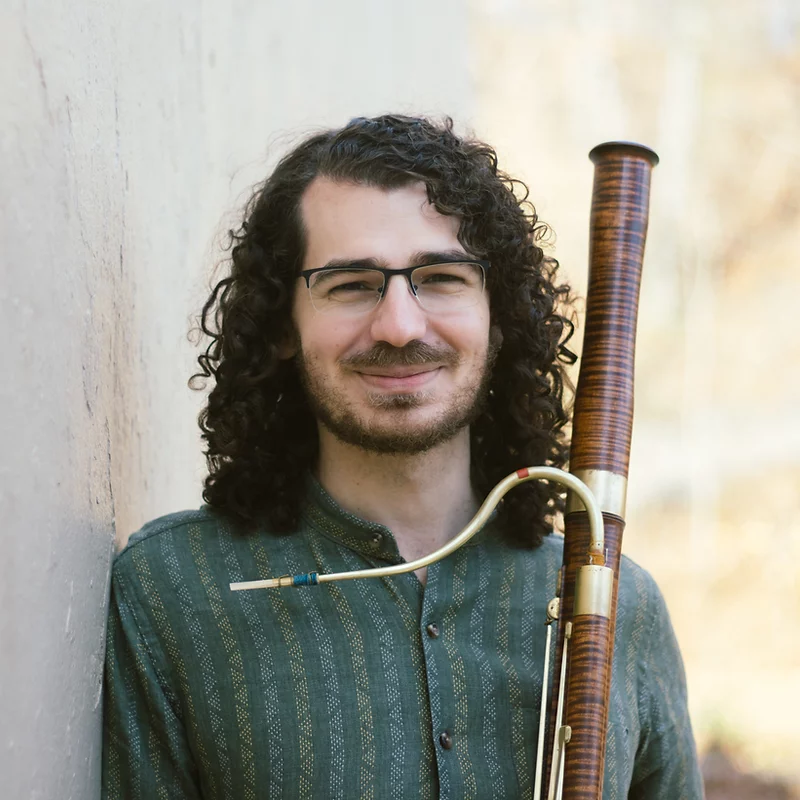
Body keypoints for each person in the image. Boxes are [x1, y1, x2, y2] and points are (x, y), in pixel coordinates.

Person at [102, 115, 703, 799]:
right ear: (281, 326)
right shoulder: (175, 592)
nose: (399, 326)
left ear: (498, 318)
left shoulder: (622, 606)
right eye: (350, 284)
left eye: (441, 277)